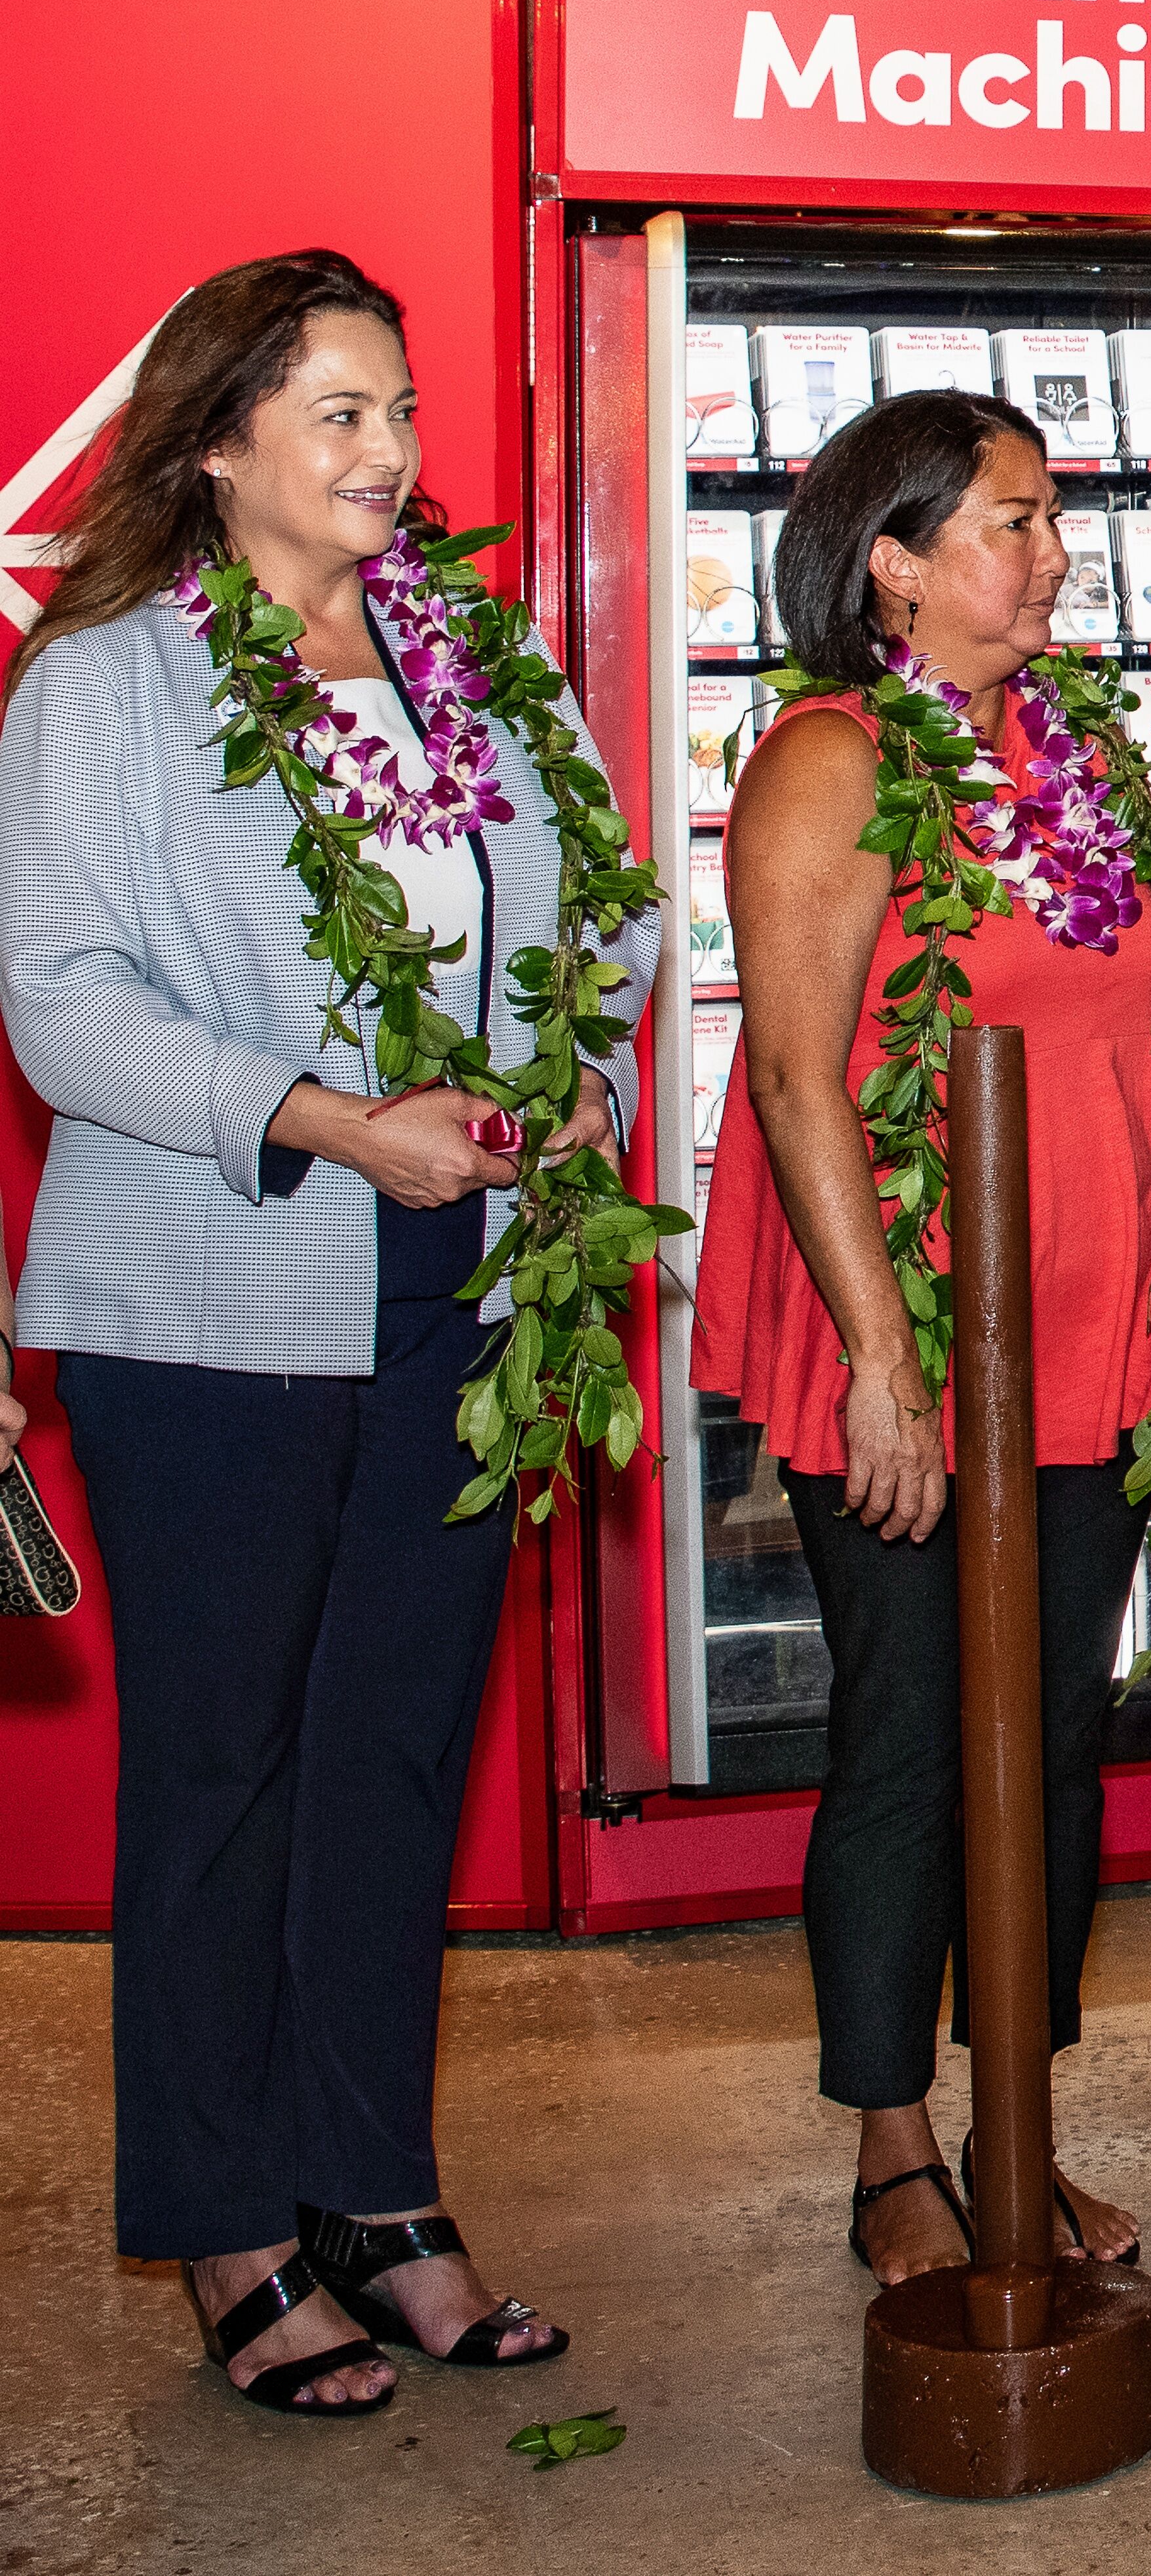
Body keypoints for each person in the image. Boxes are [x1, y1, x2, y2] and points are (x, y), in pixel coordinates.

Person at [0, 251, 652, 2409]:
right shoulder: (108, 683)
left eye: (398, 410)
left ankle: (380, 2195)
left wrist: (573, 1082)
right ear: (215, 444)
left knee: (394, 1747)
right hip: (210, 1286)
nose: (393, 454)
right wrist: (324, 1123)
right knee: (222, 1768)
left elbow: (613, 928)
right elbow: (64, 1001)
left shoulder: (477, 658)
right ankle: (228, 2229)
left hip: (462, 1278)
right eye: (344, 415)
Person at [692, 389, 1151, 2281]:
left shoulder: (1079, 755)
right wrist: (886, 1361)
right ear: (891, 565)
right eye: (1011, 521)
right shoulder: (830, 759)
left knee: (1052, 1738)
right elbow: (801, 1079)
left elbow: (1149, 1031)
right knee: (913, 1734)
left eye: (1053, 520)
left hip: (1091, 1326)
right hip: (899, 1327)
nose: (1052, 553)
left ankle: (1018, 2121)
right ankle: (894, 2143)